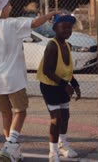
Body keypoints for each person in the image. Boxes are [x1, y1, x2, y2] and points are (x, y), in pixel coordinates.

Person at [0, 0, 59, 162]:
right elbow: (34, 23)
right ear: (3, 9)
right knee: (21, 111)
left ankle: (13, 151)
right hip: (13, 79)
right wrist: (51, 14)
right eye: (8, 4)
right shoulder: (12, 24)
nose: (11, 6)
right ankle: (10, 145)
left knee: (6, 114)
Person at [36, 14, 81, 162]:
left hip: (61, 85)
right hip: (49, 86)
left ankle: (63, 145)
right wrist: (65, 85)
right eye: (64, 27)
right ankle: (53, 152)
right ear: (55, 28)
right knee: (56, 119)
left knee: (65, 116)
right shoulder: (52, 45)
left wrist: (75, 85)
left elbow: (66, 70)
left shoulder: (67, 45)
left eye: (69, 27)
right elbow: (47, 70)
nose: (67, 30)